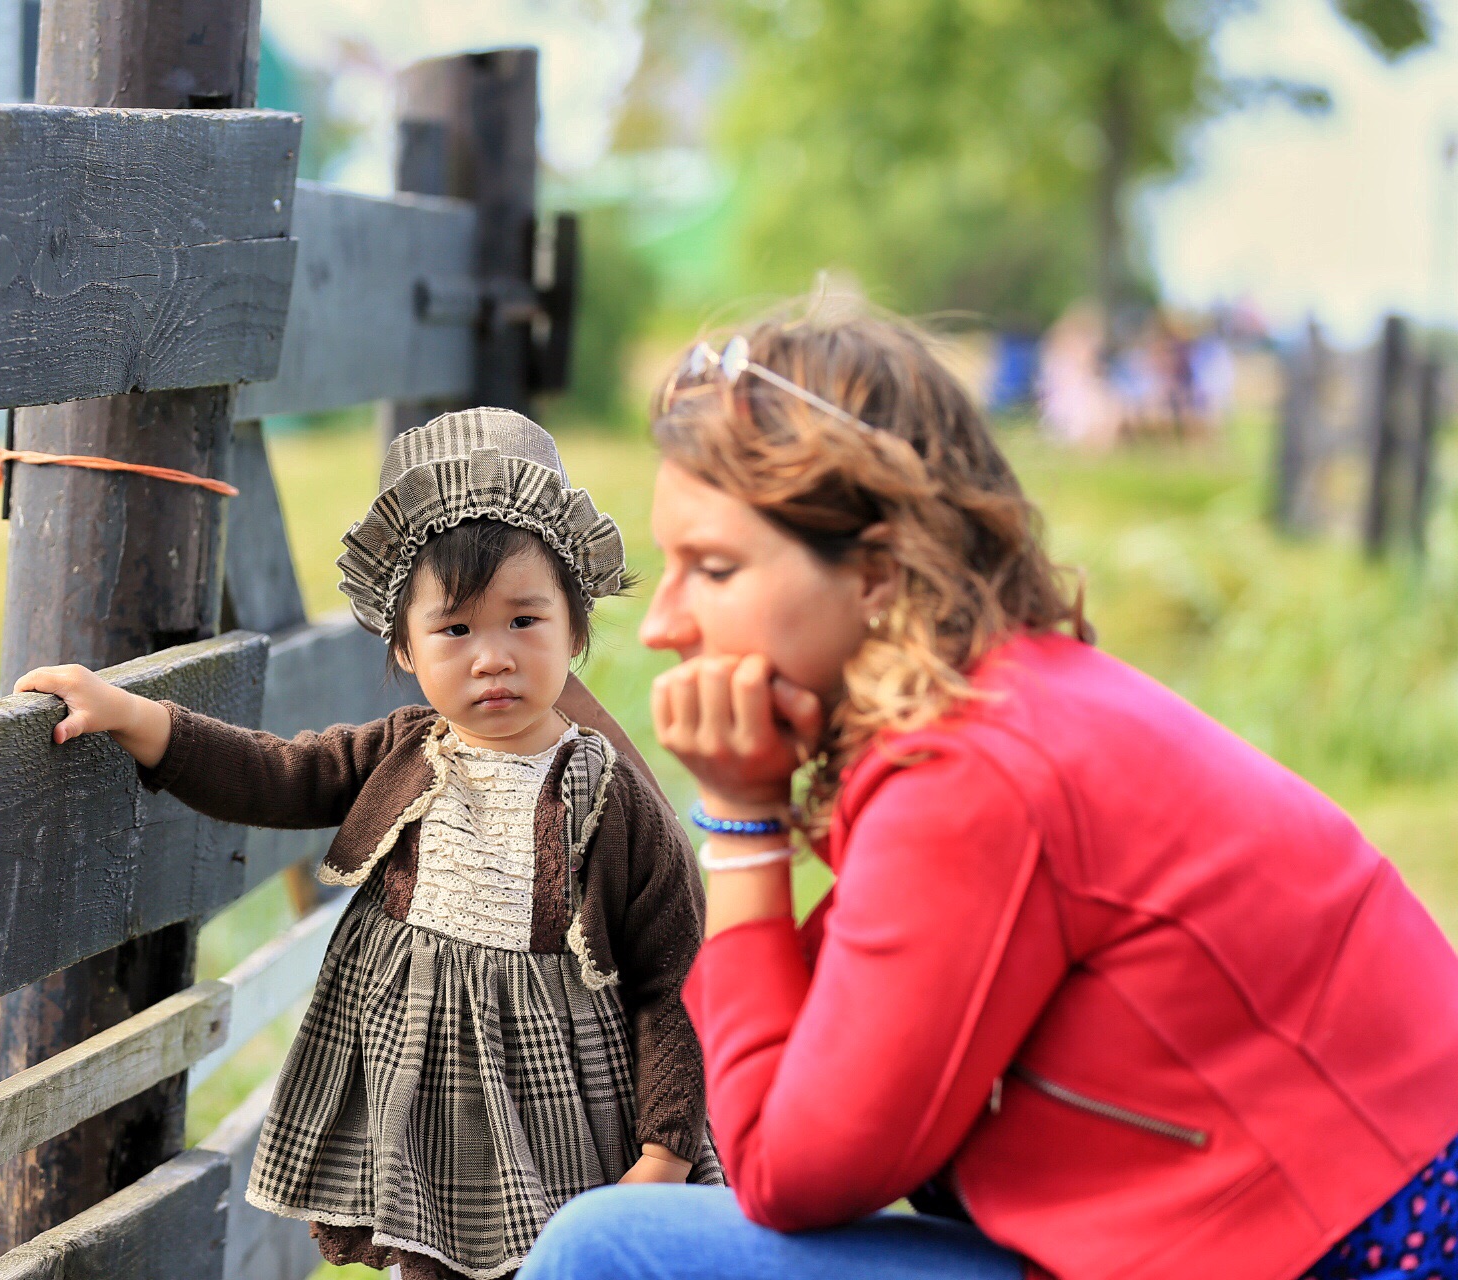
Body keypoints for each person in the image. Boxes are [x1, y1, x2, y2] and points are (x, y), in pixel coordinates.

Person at [518, 302, 1458, 1280]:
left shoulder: (973, 775)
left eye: (713, 568)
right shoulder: (1002, 703)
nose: (665, 623)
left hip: (1334, 1253)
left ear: (878, 570)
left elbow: (784, 1165)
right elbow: (838, 1059)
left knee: (613, 1251)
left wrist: (747, 820)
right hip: (1243, 1232)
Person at [16, 408, 721, 1280]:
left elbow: (672, 984)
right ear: (404, 647)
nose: (492, 657)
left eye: (524, 622)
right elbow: (273, 774)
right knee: (424, 1262)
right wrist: (138, 718)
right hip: (420, 1089)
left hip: (555, 1109)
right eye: (455, 630)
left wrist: (664, 1148)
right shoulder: (401, 754)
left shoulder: (611, 800)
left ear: (575, 631)